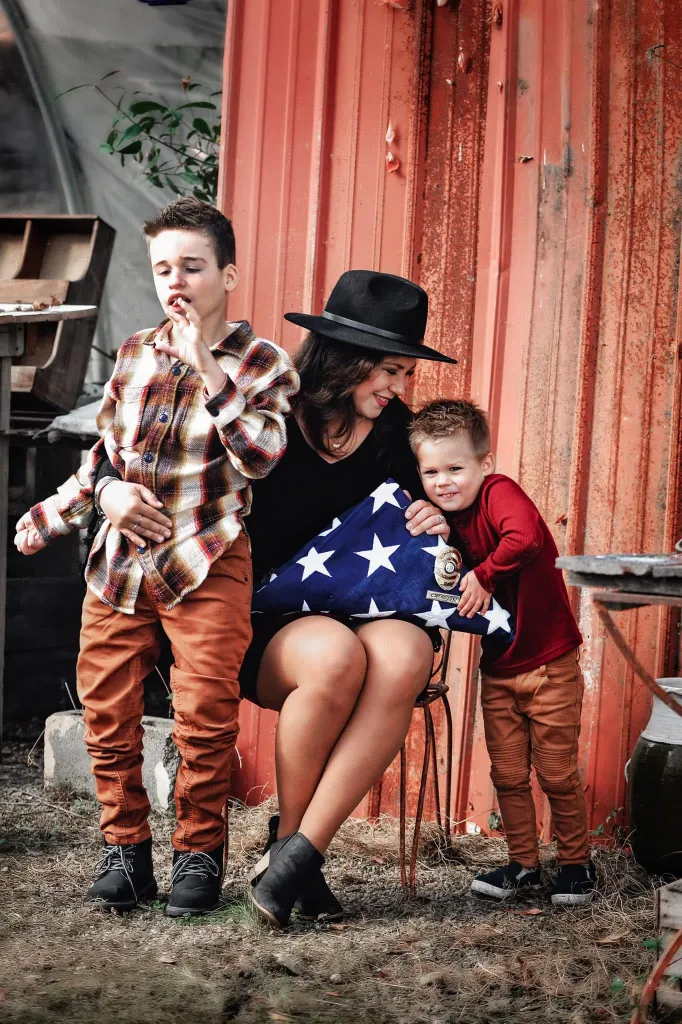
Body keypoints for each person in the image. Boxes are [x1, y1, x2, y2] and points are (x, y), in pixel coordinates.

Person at [97, 269, 457, 927]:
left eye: (407, 374)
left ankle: (293, 856)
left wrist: (437, 520)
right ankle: (299, 857)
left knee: (406, 656)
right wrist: (109, 493)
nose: (401, 389)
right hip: (252, 617)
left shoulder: (394, 434)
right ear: (347, 359)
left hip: (359, 607)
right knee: (333, 657)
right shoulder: (264, 412)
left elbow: (441, 510)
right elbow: (134, 450)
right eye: (391, 372)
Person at [14, 197, 299, 917]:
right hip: (120, 563)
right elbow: (103, 455)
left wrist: (208, 366)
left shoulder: (262, 363)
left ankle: (199, 856)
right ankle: (126, 854)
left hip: (205, 561)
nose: (177, 280)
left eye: (193, 266)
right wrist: (66, 511)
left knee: (204, 716)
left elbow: (263, 457)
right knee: (107, 710)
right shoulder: (137, 351)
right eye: (164, 267)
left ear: (228, 273)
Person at [408, 399, 595, 906]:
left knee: (555, 770)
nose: (444, 481)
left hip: (549, 662)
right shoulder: (445, 523)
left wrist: (484, 575)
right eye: (431, 472)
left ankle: (577, 864)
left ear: (483, 464)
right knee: (508, 774)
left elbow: (527, 538)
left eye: (455, 468)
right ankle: (523, 863)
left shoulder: (498, 493)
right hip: (499, 670)